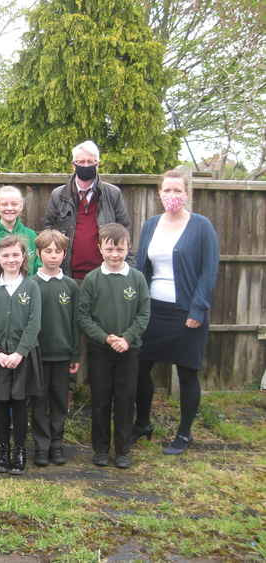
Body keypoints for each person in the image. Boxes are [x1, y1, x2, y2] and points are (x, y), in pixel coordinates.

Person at [132, 170, 220, 455]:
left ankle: (184, 433)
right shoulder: (151, 225)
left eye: (177, 191)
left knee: (187, 373)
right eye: (167, 190)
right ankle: (143, 424)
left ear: (186, 194)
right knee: (140, 368)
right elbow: (141, 268)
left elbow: (209, 271)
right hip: (152, 310)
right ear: (159, 193)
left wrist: (198, 309)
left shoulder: (201, 226)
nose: (172, 196)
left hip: (186, 312)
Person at [77, 223, 150, 469]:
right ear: (100, 248)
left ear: (128, 248)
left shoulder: (137, 278)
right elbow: (84, 317)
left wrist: (126, 338)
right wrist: (106, 338)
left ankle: (122, 450)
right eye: (109, 249)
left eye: (120, 249)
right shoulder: (92, 279)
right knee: (100, 400)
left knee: (125, 399)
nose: (115, 254)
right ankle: (100, 449)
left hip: (129, 350)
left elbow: (143, 314)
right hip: (100, 350)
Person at [0, 235, 42, 475]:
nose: (11, 259)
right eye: (5, 255)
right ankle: (3, 450)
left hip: (22, 356)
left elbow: (34, 323)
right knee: (1, 401)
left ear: (23, 257)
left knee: (19, 403)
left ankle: (19, 450)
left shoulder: (31, 286)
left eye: (16, 254)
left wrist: (19, 353)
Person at [43, 140, 131, 280]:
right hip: (68, 275)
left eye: (90, 162)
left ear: (98, 164)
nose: (85, 165)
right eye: (81, 162)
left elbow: (124, 231)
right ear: (73, 165)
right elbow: (47, 231)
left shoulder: (113, 194)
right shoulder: (58, 195)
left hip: (103, 275)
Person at [30, 229, 80, 466]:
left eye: (57, 251)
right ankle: (41, 446)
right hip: (37, 355)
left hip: (62, 355)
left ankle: (57, 445)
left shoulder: (70, 286)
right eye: (48, 251)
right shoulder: (30, 285)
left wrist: (75, 353)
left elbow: (75, 323)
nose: (53, 256)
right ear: (38, 254)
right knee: (39, 401)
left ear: (64, 254)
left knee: (60, 400)